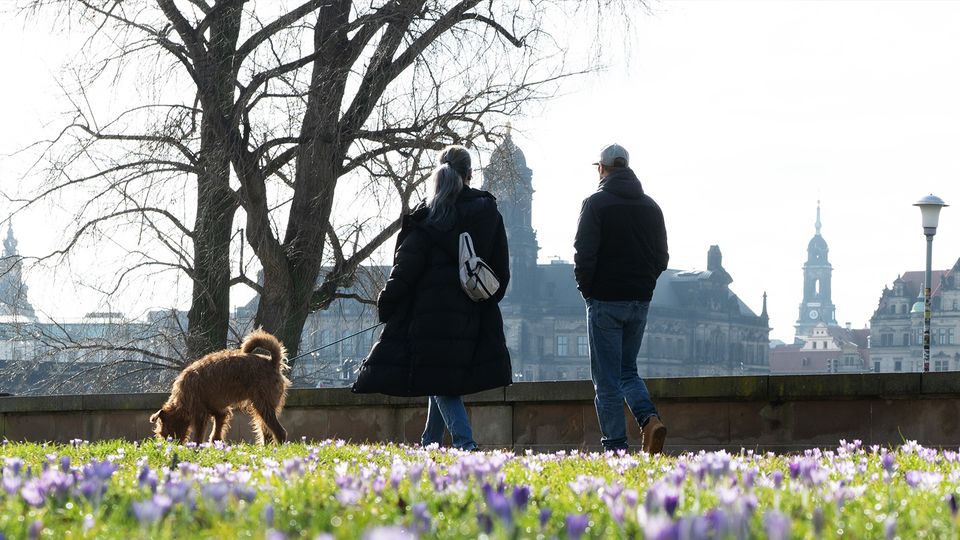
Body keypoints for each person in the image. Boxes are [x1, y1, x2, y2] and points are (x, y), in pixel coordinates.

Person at [352, 145, 511, 451]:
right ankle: (431, 444)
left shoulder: (427, 219)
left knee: (441, 380)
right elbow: (499, 273)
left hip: (430, 317)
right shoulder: (488, 214)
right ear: (470, 175)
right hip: (471, 314)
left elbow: (405, 271)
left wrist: (387, 304)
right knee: (441, 377)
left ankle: (466, 445)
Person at [573, 142, 669, 454]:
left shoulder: (595, 203)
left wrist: (589, 291)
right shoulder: (652, 207)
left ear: (602, 169)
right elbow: (661, 257)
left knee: (606, 380)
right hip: (639, 301)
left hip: (604, 301)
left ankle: (615, 449)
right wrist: (644, 286)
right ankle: (649, 420)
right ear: (626, 167)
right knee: (627, 370)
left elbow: (583, 254)